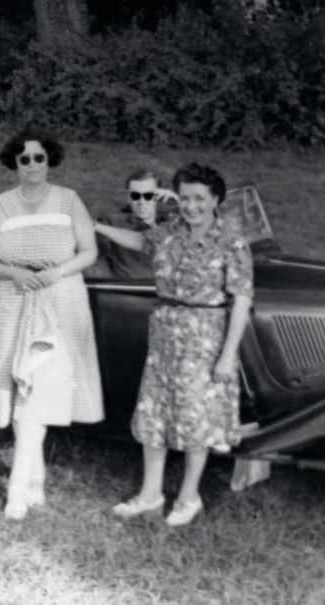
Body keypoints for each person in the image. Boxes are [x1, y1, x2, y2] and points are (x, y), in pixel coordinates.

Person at [95, 162, 254, 526]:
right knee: (155, 413)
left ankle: (188, 496)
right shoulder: (169, 232)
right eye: (185, 198)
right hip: (166, 333)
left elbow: (242, 299)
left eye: (199, 198)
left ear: (216, 199)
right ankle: (150, 495)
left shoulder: (232, 241)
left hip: (206, 337)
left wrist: (228, 354)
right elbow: (139, 241)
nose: (191, 206)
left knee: (195, 418)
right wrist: (97, 227)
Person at [0, 126, 103, 520]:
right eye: (25, 159)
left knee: (41, 389)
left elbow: (89, 252)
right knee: (20, 387)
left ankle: (19, 486)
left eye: (40, 158)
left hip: (60, 299)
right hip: (14, 299)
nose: (33, 165)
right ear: (14, 163)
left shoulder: (69, 200)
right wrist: (13, 273)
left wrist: (58, 272)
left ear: (50, 161)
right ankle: (35, 478)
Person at [95, 168, 178, 278]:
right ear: (128, 198)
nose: (141, 202)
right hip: (131, 290)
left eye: (148, 196)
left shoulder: (171, 222)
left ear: (157, 197)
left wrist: (178, 201)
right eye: (135, 196)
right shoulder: (112, 222)